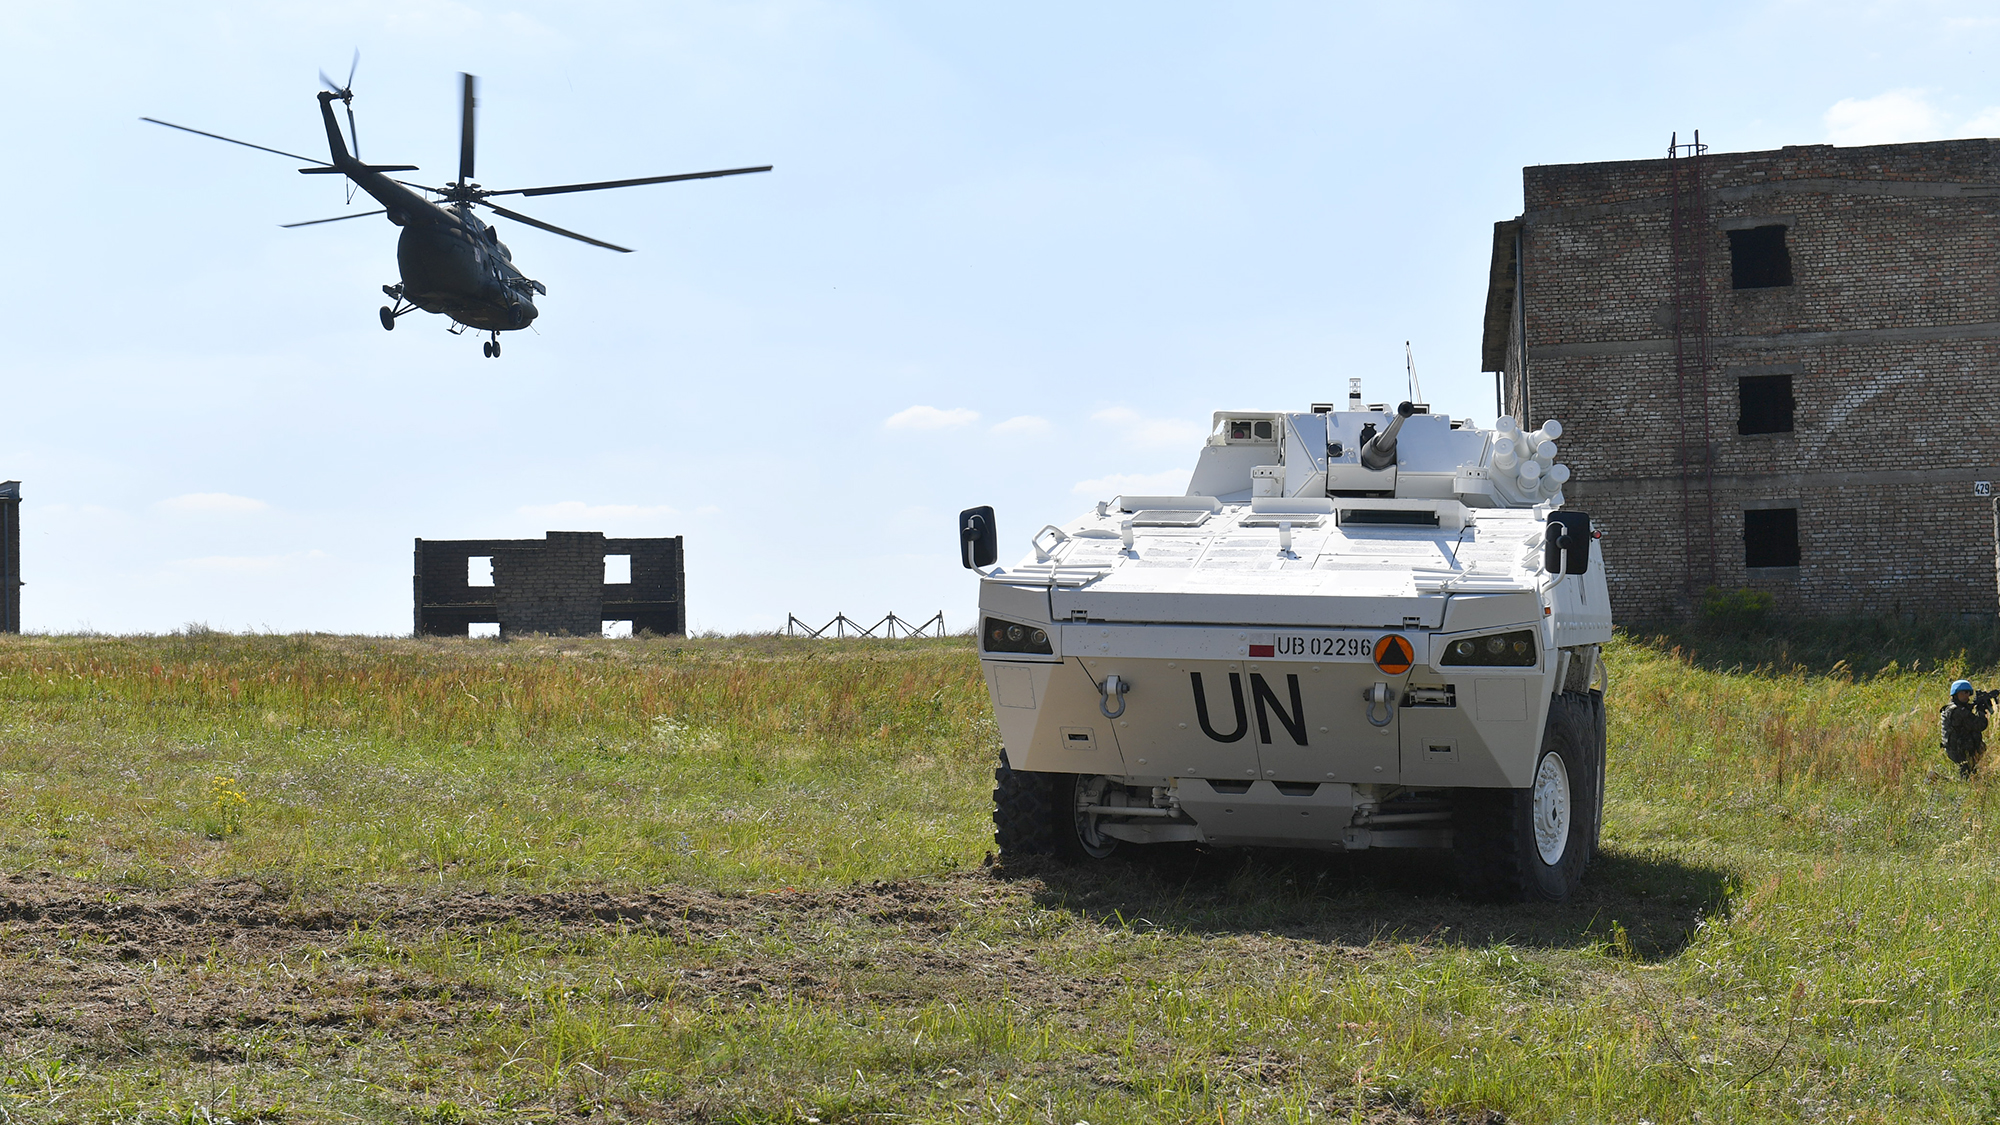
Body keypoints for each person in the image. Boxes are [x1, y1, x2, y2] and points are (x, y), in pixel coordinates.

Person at [1941, 679, 1989, 779]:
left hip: (1960, 747)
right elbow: (1980, 725)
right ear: (1956, 694)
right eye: (1964, 692)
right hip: (1960, 750)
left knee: (1970, 774)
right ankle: (1936, 778)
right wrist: (1981, 712)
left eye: (1968, 693)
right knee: (1966, 777)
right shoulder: (1958, 711)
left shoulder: (1956, 708)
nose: (1967, 695)